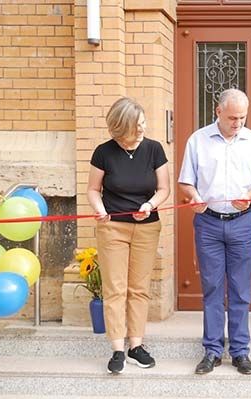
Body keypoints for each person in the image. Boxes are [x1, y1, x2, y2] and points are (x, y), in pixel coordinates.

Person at [178, 88, 251, 376]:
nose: (238, 123)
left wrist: (250, 195)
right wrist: (193, 197)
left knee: (241, 289)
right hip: (208, 222)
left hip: (243, 222)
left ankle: (241, 351)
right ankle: (212, 350)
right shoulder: (198, 140)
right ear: (218, 112)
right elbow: (186, 182)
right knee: (212, 288)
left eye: (242, 118)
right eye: (232, 117)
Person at [87, 97, 170, 374]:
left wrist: (149, 206)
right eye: (138, 125)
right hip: (112, 227)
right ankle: (117, 349)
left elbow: (163, 189)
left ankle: (136, 345)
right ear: (121, 128)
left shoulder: (154, 149)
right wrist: (100, 210)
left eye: (144, 123)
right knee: (115, 288)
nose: (143, 128)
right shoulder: (103, 152)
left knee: (139, 288)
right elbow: (92, 190)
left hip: (147, 226)